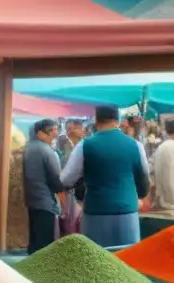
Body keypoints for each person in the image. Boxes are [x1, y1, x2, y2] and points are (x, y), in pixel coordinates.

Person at [62, 104, 150, 247]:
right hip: (127, 214)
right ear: (117, 120)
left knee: (96, 263)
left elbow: (66, 180)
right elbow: (144, 181)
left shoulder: (84, 145)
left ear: (96, 121)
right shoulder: (135, 145)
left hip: (96, 213)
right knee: (127, 261)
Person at [22, 118, 63, 254]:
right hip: (46, 203)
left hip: (32, 201)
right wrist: (65, 204)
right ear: (40, 133)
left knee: (35, 242)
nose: (55, 134)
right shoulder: (47, 151)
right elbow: (57, 181)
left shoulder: (28, 148)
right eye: (52, 130)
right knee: (45, 245)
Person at [152, 117, 174, 212]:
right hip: (172, 206)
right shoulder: (172, 148)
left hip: (166, 203)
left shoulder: (165, 146)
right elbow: (173, 180)